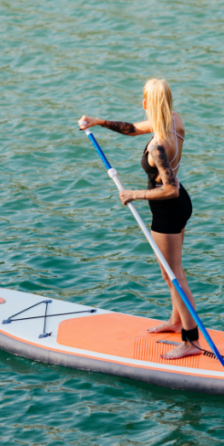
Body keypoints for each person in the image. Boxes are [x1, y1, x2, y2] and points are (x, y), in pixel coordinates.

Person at [78, 79, 199, 359]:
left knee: (174, 277)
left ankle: (191, 341)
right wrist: (97, 122)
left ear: (147, 103)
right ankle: (176, 320)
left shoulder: (158, 145)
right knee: (173, 272)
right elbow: (133, 129)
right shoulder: (173, 121)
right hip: (182, 206)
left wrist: (134, 193)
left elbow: (170, 189)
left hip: (168, 208)